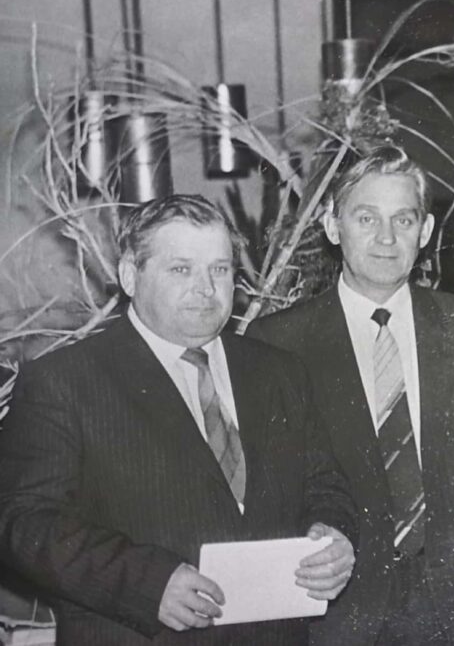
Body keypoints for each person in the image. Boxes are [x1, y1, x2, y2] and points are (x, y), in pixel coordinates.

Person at [0, 195, 358, 646]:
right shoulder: (65, 381)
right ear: (130, 276)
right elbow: (24, 523)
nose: (205, 289)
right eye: (181, 269)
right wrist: (146, 584)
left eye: (219, 269)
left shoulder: (279, 372)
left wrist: (333, 535)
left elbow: (325, 486)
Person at [247, 146, 454, 644]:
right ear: (332, 226)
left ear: (425, 232)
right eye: (366, 218)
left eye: (403, 220)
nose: (386, 237)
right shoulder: (278, 342)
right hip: (339, 614)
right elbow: (267, 489)